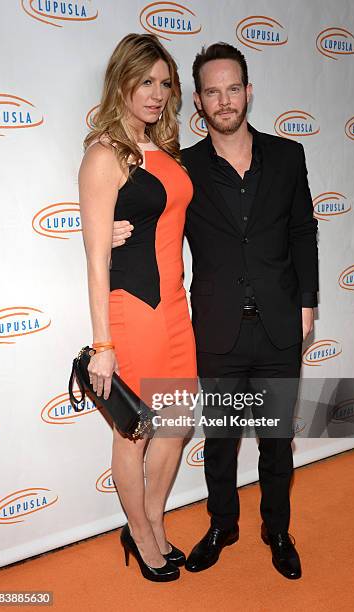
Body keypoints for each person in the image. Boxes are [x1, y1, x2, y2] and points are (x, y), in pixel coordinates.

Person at [113, 42, 318, 580]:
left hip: (279, 325)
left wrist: (308, 303)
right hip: (216, 327)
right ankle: (222, 524)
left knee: (276, 440)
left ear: (248, 92)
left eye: (233, 88)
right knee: (221, 441)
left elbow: (303, 231)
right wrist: (116, 229)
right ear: (199, 104)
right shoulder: (184, 168)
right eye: (211, 92)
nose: (223, 100)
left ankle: (277, 529)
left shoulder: (288, 155)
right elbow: (145, 204)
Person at [78, 33, 197, 582]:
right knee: (138, 429)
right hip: (134, 308)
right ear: (121, 81)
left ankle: (149, 518)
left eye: (164, 83)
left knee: (178, 421)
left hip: (175, 306)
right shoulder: (104, 154)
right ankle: (143, 532)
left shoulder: (163, 150)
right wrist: (103, 346)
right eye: (145, 81)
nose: (156, 93)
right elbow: (96, 258)